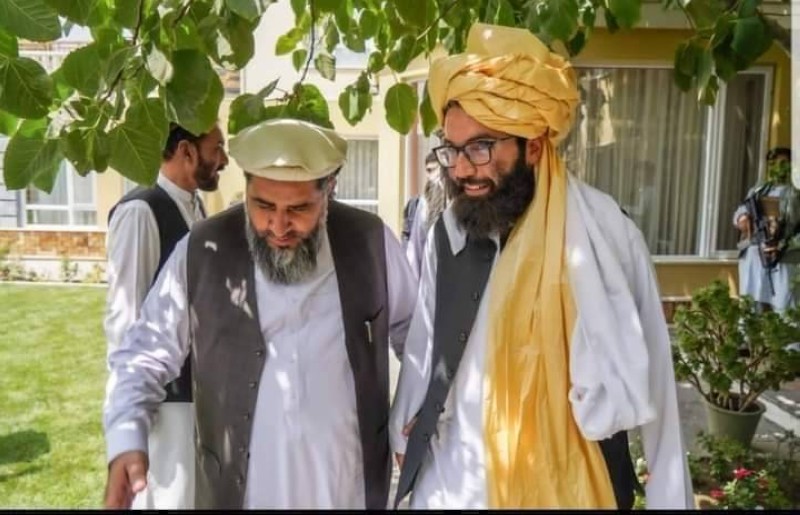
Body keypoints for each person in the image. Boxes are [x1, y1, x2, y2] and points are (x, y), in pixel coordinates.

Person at [390, 23, 693, 509]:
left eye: (480, 148)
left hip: (568, 485)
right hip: (456, 483)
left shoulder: (603, 234)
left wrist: (669, 497)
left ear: (533, 145)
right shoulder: (449, 229)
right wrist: (408, 422)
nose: (461, 168)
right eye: (452, 149)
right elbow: (427, 345)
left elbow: (657, 373)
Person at [102, 118, 417, 509]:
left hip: (346, 488)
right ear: (247, 188)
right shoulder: (203, 248)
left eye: (299, 208)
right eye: (263, 205)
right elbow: (143, 355)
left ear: (328, 192)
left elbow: (414, 333)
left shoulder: (370, 241)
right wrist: (126, 437)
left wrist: (414, 411)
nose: (278, 226)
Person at [103, 122, 228, 509]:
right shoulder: (141, 211)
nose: (224, 160)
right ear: (187, 151)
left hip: (199, 397)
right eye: (217, 149)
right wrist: (134, 412)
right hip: (166, 403)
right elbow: (125, 318)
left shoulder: (196, 208)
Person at [734, 147, 800, 314]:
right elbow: (741, 212)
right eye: (773, 164)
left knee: (786, 311)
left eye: (783, 163)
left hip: (785, 258)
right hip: (755, 254)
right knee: (749, 308)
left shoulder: (796, 193)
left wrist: (784, 245)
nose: (777, 168)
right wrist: (742, 218)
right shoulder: (758, 190)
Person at [405, 151, 448, 279]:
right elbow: (416, 246)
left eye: (433, 170)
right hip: (429, 272)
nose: (432, 176)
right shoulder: (424, 203)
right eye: (428, 171)